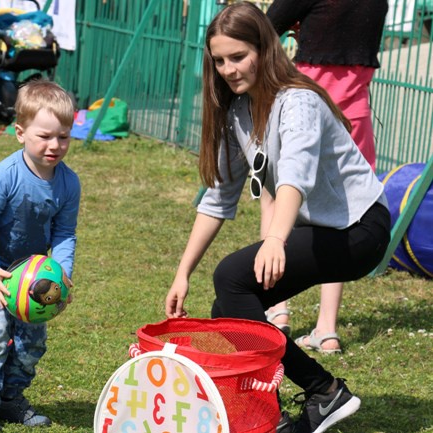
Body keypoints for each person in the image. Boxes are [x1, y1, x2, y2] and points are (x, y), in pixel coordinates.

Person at [164, 3, 391, 432]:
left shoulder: (299, 101)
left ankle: (324, 391)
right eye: (219, 60)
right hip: (323, 230)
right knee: (228, 309)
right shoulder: (237, 113)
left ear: (264, 49)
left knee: (231, 277)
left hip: (361, 229)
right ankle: (267, 414)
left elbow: (295, 176)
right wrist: (182, 273)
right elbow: (217, 200)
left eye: (238, 56)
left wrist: (275, 239)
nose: (229, 69)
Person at [263, 0, 389, 354]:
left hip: (307, 106)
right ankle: (327, 328)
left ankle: (276, 308)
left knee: (275, 197)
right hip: (354, 114)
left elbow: (261, 30)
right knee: (345, 214)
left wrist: (295, 26)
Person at [0, 80, 79, 432]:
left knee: (32, 341)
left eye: (64, 136)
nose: (55, 145)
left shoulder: (69, 184)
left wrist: (62, 272)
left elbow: (64, 233)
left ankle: (11, 399)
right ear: (20, 133)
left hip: (32, 275)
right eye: (44, 136)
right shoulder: (3, 175)